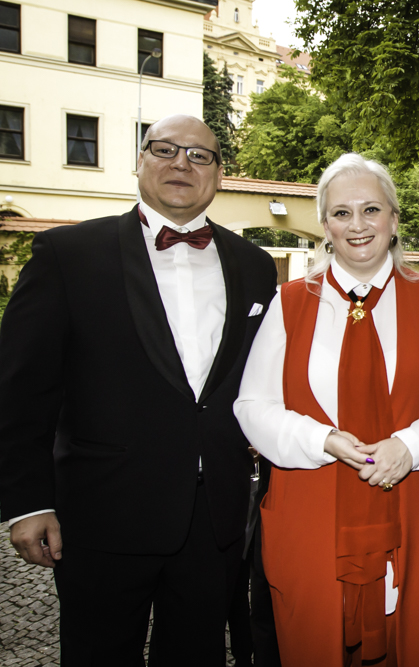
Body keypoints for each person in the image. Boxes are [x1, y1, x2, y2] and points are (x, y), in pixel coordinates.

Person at [0, 114, 278, 664]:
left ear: (219, 173)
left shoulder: (254, 266)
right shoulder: (68, 254)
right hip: (103, 511)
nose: (182, 163)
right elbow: (21, 389)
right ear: (139, 160)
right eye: (165, 149)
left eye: (199, 155)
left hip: (213, 517)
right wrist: (29, 503)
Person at [234, 152, 419, 667]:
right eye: (342, 213)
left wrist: (411, 445)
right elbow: (253, 404)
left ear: (394, 219)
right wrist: (320, 439)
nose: (358, 225)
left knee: (413, 640)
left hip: (410, 505)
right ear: (325, 226)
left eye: (371, 209)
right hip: (312, 507)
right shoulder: (289, 301)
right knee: (314, 641)